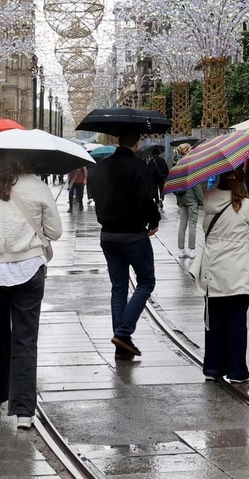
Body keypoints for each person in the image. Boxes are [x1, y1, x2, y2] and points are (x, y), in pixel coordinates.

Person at [0, 153, 62, 430]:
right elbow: (55, 232)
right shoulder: (38, 187)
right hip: (29, 269)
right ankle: (24, 410)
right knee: (25, 339)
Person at [89, 132, 162, 359]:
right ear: (137, 143)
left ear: (117, 141)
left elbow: (93, 194)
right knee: (146, 281)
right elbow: (147, 198)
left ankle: (122, 346)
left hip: (108, 235)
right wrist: (154, 219)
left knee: (118, 288)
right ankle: (123, 332)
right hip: (133, 234)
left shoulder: (101, 167)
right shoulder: (139, 167)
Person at [194, 168, 249, 383]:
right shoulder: (245, 206)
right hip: (239, 273)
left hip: (212, 271)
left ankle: (213, 368)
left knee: (214, 321)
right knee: (236, 321)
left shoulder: (208, 202)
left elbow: (206, 230)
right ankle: (237, 371)